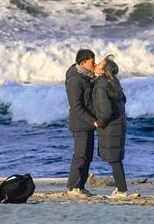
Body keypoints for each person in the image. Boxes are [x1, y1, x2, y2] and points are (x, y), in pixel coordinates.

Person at [92, 54, 128, 198]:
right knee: (115, 158)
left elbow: (106, 111)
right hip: (118, 124)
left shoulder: (101, 85)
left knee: (114, 159)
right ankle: (121, 188)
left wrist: (99, 122)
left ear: (103, 71)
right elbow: (123, 100)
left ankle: (121, 190)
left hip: (110, 127)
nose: (96, 64)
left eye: (99, 64)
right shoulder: (114, 82)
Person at [65, 48, 99, 197]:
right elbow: (76, 106)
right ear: (83, 62)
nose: (95, 64)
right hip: (80, 123)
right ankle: (73, 187)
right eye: (92, 61)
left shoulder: (86, 77)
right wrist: (93, 120)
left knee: (88, 155)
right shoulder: (75, 80)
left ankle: (81, 186)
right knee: (80, 155)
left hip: (88, 123)